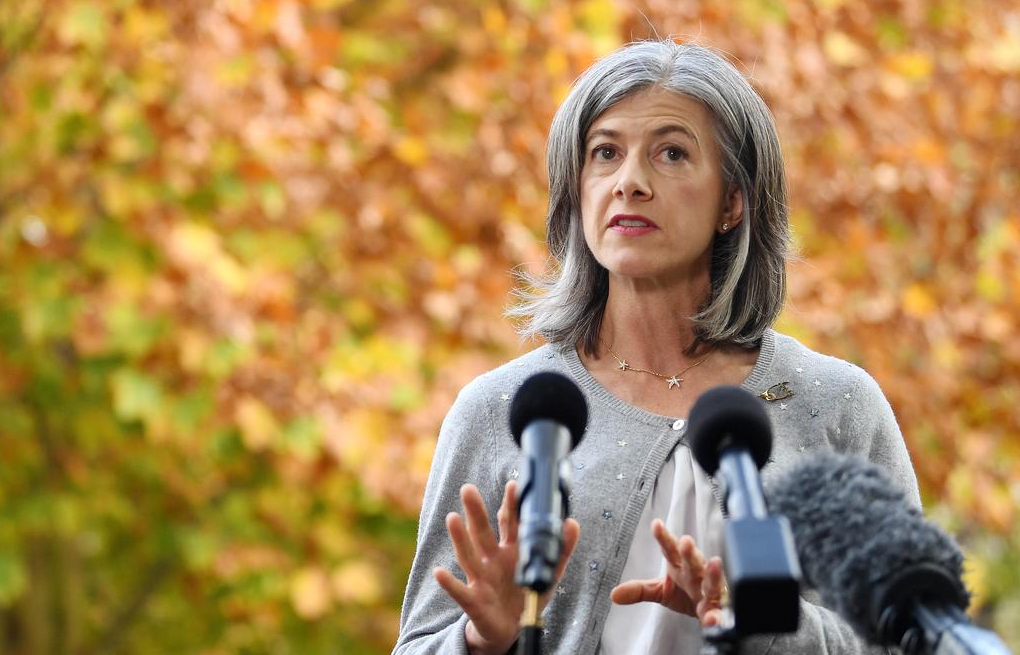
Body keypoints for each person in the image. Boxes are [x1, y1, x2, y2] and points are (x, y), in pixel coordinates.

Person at [393, 40, 919, 654]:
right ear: (577, 188)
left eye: (671, 153)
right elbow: (420, 643)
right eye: (604, 154)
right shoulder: (508, 409)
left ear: (733, 201)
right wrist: (482, 638)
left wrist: (765, 623)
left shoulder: (835, 404)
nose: (630, 182)